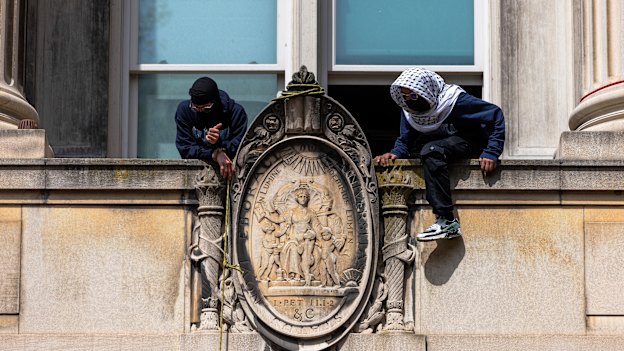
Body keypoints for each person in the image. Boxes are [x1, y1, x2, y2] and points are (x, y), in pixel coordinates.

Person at [375, 67, 505, 241]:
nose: (410, 101)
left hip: (467, 141)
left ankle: (447, 220)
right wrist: (395, 153)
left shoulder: (455, 100)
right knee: (426, 149)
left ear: (426, 91)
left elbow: (495, 115)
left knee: (432, 150)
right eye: (405, 97)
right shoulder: (408, 110)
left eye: (413, 96)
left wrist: (491, 152)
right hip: (438, 143)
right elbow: (405, 138)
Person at [175, 77, 248, 178]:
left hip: (230, 174)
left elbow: (241, 148)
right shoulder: (185, 111)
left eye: (206, 108)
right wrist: (215, 154)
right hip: (194, 174)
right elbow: (184, 147)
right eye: (196, 108)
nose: (200, 111)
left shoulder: (235, 112)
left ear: (215, 102)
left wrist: (219, 143)